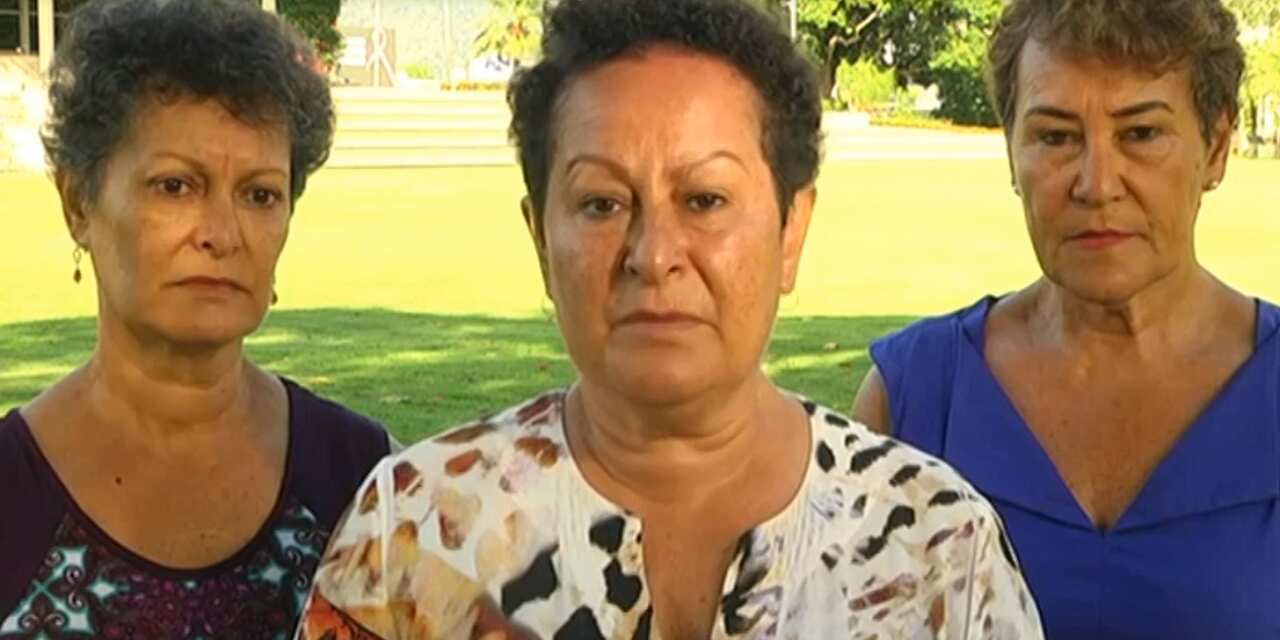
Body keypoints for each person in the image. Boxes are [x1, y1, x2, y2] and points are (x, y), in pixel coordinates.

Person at [296, 1, 1042, 638]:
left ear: (792, 230)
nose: (653, 256)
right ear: (538, 238)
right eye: (601, 204)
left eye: (705, 200)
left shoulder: (937, 546)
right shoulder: (414, 532)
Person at [851, 0, 1273, 636]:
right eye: (1055, 137)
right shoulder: (912, 403)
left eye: (1141, 134)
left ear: (1215, 147)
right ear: (1010, 150)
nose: (1097, 184)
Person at [0, 0, 391, 636]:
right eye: (176, 186)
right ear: (78, 202)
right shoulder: (9, 496)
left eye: (260, 195)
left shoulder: (364, 480)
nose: (221, 233)